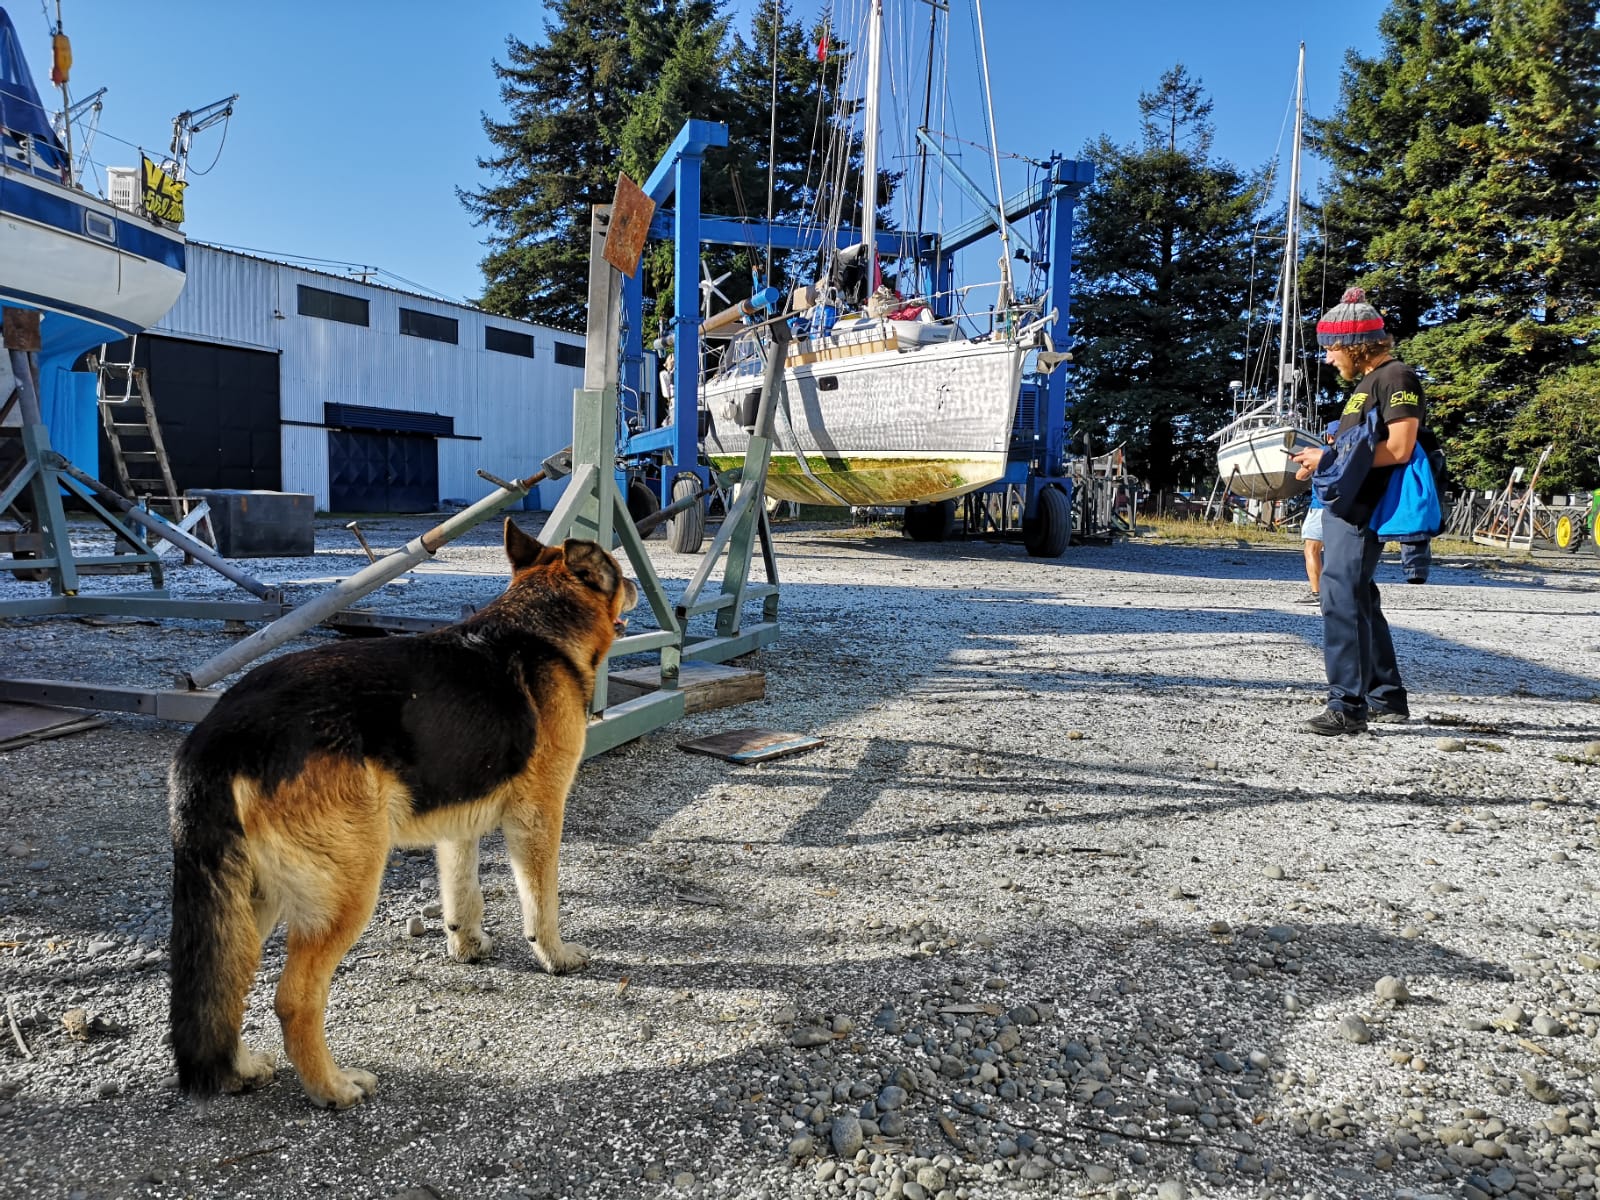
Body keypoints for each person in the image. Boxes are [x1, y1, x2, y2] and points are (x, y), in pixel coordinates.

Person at [1288, 287, 1423, 735]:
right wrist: (1322, 459)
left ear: (1353, 345)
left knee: (1341, 596)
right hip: (1350, 503)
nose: (1328, 359)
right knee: (1360, 596)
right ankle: (1386, 696)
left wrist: (1329, 461)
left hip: (1362, 509)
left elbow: (1400, 448)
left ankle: (1346, 705)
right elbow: (1356, 450)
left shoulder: (1395, 377)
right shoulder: (1367, 386)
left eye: (1330, 349)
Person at [1297, 493, 1324, 603]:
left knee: (1311, 549)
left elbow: (1300, 475)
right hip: (1345, 506)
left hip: (1320, 505)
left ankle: (1317, 592)